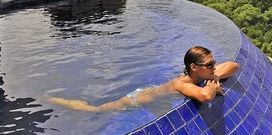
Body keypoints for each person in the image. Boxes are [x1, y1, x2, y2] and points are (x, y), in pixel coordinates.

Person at [47, 46, 240, 112]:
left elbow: (233, 65)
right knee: (94, 110)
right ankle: (53, 100)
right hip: (136, 100)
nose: (214, 66)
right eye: (209, 65)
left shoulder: (204, 73)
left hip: (155, 93)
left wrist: (214, 76)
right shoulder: (181, 84)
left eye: (213, 63)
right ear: (194, 67)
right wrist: (214, 86)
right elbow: (206, 96)